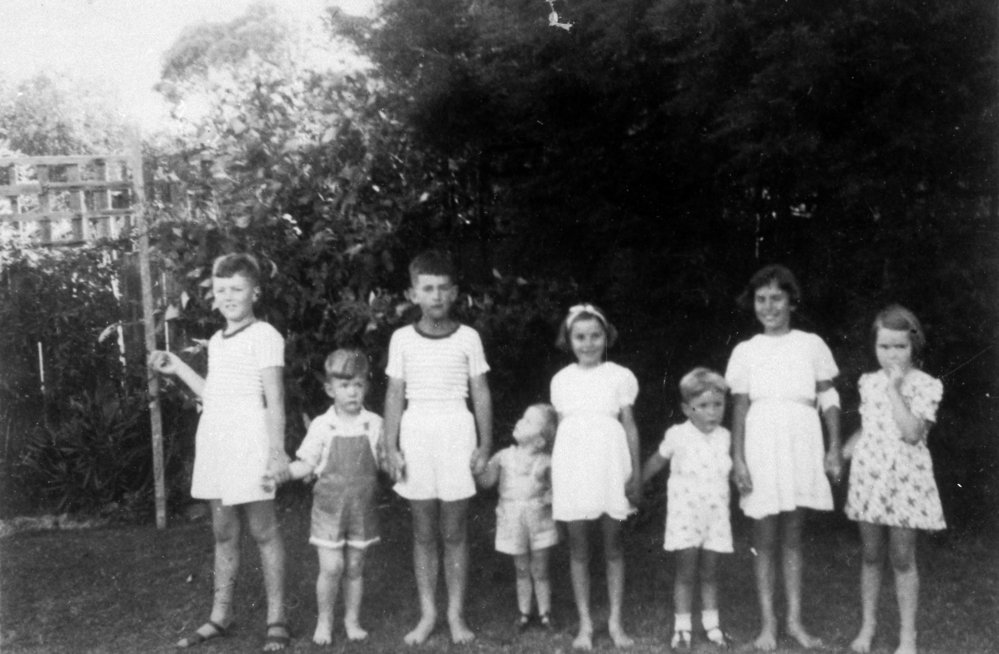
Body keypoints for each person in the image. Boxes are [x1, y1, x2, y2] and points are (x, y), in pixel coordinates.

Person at [148, 253, 291, 652]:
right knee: (223, 532)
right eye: (222, 289)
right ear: (214, 294)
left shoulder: (266, 336)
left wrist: (277, 452)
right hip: (216, 439)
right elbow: (214, 394)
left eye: (238, 289)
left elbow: (275, 400)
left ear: (254, 292)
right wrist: (176, 366)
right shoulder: (216, 340)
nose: (229, 296)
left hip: (251, 440)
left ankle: (277, 618)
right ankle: (220, 614)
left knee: (264, 531)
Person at [725, 264, 842, 652]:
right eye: (761, 299)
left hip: (801, 438)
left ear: (792, 300)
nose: (769, 306)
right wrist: (738, 459)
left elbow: (828, 397)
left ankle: (794, 620)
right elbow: (739, 408)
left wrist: (833, 447)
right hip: (761, 440)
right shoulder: (745, 351)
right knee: (764, 537)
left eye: (777, 297)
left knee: (793, 537)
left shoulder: (811, 344)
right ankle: (767, 625)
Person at [382, 250, 493, 645]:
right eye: (427, 289)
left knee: (455, 530)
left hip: (456, 430)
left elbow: (480, 392)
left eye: (444, 288)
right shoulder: (401, 339)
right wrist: (390, 446)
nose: (436, 296)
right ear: (413, 294)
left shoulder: (468, 338)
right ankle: (428, 612)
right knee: (424, 530)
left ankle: (455, 613)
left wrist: (485, 443)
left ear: (455, 293)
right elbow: (395, 393)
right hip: (416, 431)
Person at [843, 305, 944, 654]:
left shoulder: (927, 385)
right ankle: (867, 626)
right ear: (875, 347)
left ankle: (907, 636)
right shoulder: (867, 382)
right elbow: (870, 427)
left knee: (902, 558)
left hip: (906, 482)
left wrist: (895, 389)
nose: (892, 354)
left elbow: (912, 432)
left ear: (913, 346)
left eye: (899, 346)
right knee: (871, 555)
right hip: (869, 479)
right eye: (884, 347)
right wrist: (842, 451)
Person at [266, 349, 383, 646]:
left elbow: (384, 461)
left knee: (355, 567)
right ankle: (325, 620)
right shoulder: (322, 425)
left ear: (365, 387)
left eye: (358, 385)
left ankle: (352, 620)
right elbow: (306, 463)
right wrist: (281, 473)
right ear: (330, 389)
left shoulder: (375, 423)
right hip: (329, 511)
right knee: (332, 567)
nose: (352, 392)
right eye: (345, 386)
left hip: (361, 510)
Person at [550, 303, 641, 650]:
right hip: (573, 465)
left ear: (606, 337)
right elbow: (561, 430)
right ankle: (585, 624)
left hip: (609, 463)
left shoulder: (619, 375)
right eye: (580, 337)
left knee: (613, 544)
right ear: (569, 340)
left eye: (595, 336)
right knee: (578, 548)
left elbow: (629, 425)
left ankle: (615, 621)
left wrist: (633, 474)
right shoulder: (561, 380)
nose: (588, 343)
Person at [640, 367, 733, 651]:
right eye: (703, 406)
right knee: (686, 571)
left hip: (715, 517)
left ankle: (711, 623)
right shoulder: (678, 434)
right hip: (686, 516)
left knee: (710, 572)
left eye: (718, 405)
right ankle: (682, 627)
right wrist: (637, 482)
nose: (712, 413)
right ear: (686, 408)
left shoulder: (726, 436)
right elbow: (657, 461)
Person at [477, 403, 559, 632]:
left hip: (539, 522)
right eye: (523, 417)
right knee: (521, 568)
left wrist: (551, 496)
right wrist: (476, 467)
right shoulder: (503, 457)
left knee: (540, 569)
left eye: (529, 421)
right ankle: (524, 613)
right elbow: (486, 481)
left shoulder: (545, 461)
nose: (521, 421)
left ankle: (545, 613)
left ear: (540, 441)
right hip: (512, 521)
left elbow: (557, 488)